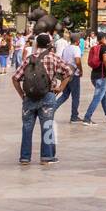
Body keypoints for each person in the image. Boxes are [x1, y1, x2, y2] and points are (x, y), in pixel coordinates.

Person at [13, 33, 69, 165]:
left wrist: (22, 94)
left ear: (36, 44)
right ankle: (46, 157)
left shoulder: (29, 59)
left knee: (27, 128)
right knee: (47, 126)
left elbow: (15, 78)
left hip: (29, 98)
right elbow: (68, 72)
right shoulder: (54, 58)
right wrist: (60, 88)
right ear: (49, 44)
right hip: (48, 96)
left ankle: (25, 158)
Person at [82, 36, 106, 125]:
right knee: (97, 97)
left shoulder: (94, 47)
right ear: (104, 39)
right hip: (101, 77)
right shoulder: (105, 47)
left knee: (104, 96)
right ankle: (87, 118)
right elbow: (105, 60)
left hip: (94, 76)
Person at [55, 33, 83, 123]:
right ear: (77, 41)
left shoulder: (66, 48)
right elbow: (77, 61)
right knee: (76, 96)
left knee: (65, 95)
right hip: (74, 75)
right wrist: (81, 70)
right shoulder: (76, 48)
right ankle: (74, 116)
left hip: (65, 74)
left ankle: (51, 110)